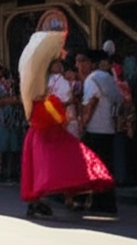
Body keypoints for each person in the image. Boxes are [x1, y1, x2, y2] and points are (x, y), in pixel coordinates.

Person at [20, 34, 114, 217]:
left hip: (50, 129)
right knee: (47, 164)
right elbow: (55, 107)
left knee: (55, 163)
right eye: (55, 63)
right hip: (47, 130)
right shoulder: (43, 84)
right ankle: (41, 199)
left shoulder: (49, 83)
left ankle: (62, 198)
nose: (59, 65)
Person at [80, 50, 123, 214]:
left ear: (92, 64)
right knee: (107, 164)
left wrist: (84, 123)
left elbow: (92, 101)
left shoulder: (92, 79)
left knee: (96, 166)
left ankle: (99, 201)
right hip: (108, 128)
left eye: (84, 62)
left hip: (95, 128)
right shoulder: (108, 78)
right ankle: (108, 201)